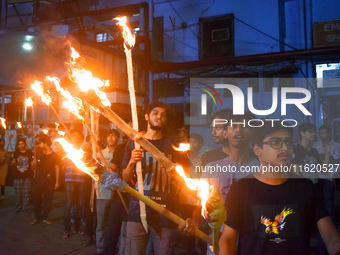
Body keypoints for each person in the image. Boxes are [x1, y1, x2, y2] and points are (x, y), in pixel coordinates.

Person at [219, 122, 340, 255]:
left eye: (288, 142)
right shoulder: (241, 189)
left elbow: (331, 237)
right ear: (257, 149)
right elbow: (228, 240)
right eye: (275, 142)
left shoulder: (306, 187)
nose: (285, 148)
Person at [121, 102, 178, 255]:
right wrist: (132, 162)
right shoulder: (134, 143)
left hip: (165, 213)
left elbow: (183, 181)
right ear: (146, 116)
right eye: (155, 113)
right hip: (136, 210)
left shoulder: (172, 145)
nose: (159, 117)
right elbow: (125, 180)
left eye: (163, 115)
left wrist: (176, 176)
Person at [63, 129, 93, 247]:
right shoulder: (68, 148)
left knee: (80, 204)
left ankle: (77, 227)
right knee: (69, 203)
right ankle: (66, 228)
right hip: (70, 177)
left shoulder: (84, 148)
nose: (74, 137)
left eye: (76, 135)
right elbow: (64, 162)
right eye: (73, 135)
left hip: (81, 178)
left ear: (80, 137)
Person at [95, 129, 120, 255]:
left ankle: (114, 249)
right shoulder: (100, 154)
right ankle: (100, 249)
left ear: (118, 139)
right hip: (103, 193)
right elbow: (95, 173)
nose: (111, 138)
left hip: (118, 194)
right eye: (109, 135)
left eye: (114, 136)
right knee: (101, 224)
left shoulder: (122, 154)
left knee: (114, 225)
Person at [31, 134, 60, 225]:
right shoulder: (38, 154)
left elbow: (57, 169)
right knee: (36, 199)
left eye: (40, 143)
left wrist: (57, 182)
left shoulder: (55, 155)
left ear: (45, 143)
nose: (38, 145)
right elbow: (33, 168)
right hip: (38, 180)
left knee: (48, 200)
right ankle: (36, 217)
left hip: (49, 180)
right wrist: (33, 163)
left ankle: (44, 217)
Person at [11, 137, 33, 213]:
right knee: (18, 193)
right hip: (17, 176)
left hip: (27, 175)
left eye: (22, 144)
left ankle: (26, 207)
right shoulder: (15, 153)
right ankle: (18, 207)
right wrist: (13, 162)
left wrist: (34, 163)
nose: (21, 145)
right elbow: (12, 164)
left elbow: (32, 163)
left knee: (26, 193)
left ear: (25, 144)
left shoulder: (29, 152)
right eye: (19, 144)